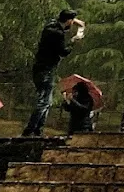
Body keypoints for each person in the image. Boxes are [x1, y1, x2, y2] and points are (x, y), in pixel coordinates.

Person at [22, 9, 84, 137]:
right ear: (68, 21)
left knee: (47, 101)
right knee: (43, 101)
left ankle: (38, 130)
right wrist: (73, 41)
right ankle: (30, 130)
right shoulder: (57, 34)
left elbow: (62, 23)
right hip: (46, 69)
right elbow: (63, 52)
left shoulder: (50, 25)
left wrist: (75, 21)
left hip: (39, 68)